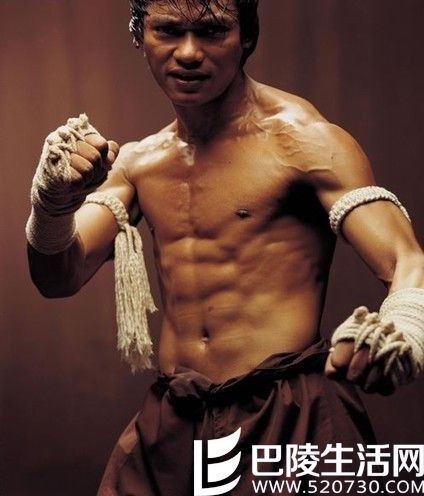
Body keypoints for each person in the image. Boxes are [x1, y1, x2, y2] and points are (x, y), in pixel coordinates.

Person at [26, 0, 424, 494]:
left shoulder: (304, 141)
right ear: (140, 36)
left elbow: (406, 259)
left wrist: (404, 328)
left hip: (286, 414)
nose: (188, 52)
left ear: (246, 37)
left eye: (212, 31)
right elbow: (58, 276)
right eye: (168, 30)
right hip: (176, 416)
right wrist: (51, 204)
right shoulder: (138, 163)